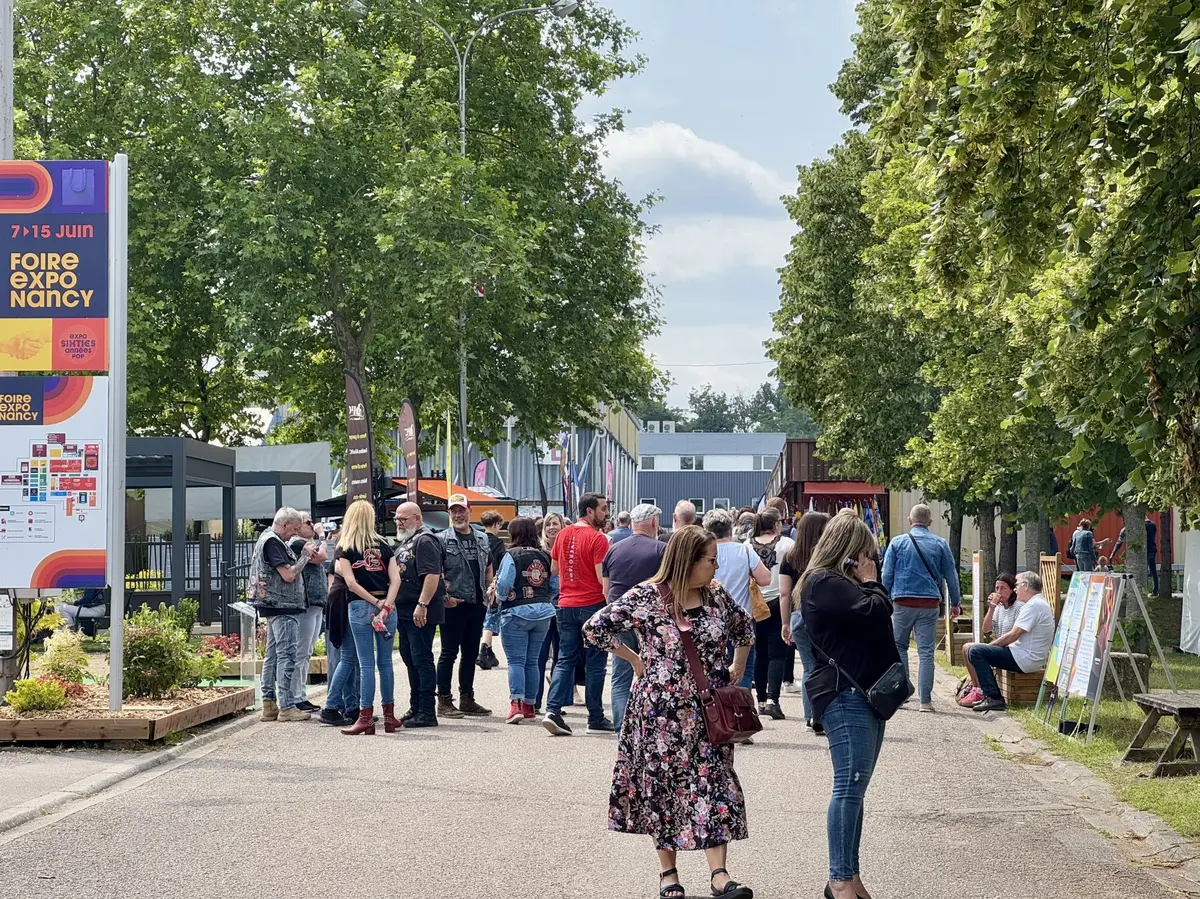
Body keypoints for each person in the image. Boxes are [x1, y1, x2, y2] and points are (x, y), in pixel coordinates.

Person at [584, 525, 756, 899]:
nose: (715, 567)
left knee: (714, 787)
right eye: (710, 560)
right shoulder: (647, 597)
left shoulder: (716, 597)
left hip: (708, 714)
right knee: (662, 792)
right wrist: (633, 658)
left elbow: (745, 628)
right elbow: (594, 629)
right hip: (659, 717)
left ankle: (720, 875)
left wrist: (737, 668)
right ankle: (668, 873)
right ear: (688, 560)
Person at [800, 510, 899, 899]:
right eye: (866, 554)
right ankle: (840, 877)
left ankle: (848, 875)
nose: (870, 562)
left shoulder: (836, 583)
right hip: (846, 694)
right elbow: (876, 614)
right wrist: (872, 582)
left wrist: (867, 583)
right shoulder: (824, 582)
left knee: (856, 788)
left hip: (863, 693)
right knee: (848, 786)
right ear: (849, 552)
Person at [327, 499, 401, 736]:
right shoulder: (384, 545)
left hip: (360, 606)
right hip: (387, 607)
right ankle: (389, 716)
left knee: (365, 663)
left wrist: (374, 602)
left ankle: (365, 717)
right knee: (386, 663)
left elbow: (350, 582)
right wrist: (386, 605)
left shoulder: (345, 546)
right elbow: (396, 579)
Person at [543, 492, 613, 736]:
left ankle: (553, 710)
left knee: (565, 658)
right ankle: (595, 717)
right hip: (592, 604)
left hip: (566, 603)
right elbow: (600, 577)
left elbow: (554, 569)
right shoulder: (598, 539)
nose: (606, 513)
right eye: (603, 509)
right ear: (590, 511)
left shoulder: (562, 534)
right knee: (595, 662)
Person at [881, 503, 962, 712]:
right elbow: (951, 575)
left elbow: (886, 574)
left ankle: (902, 695)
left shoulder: (898, 543)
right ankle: (925, 701)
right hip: (929, 603)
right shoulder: (940, 544)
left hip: (902, 601)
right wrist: (956, 602)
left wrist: (883, 597)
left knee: (899, 647)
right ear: (930, 522)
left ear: (910, 520)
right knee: (926, 652)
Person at [601, 502, 667, 732]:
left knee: (621, 672)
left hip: (618, 614)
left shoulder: (613, 549)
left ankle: (621, 727)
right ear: (654, 522)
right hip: (650, 619)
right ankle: (651, 725)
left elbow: (605, 590)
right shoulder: (661, 549)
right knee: (655, 671)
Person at [250, 507, 313, 723]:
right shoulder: (273, 541)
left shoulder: (267, 539)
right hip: (281, 604)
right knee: (287, 655)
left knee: (273, 655)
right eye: (294, 529)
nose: (294, 534)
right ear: (284, 524)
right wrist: (304, 557)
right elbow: (288, 575)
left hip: (273, 604)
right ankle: (286, 706)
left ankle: (269, 704)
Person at [435, 494, 495, 718]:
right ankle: (443, 700)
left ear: (470, 510)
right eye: (453, 511)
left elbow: (488, 566)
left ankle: (467, 698)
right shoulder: (441, 539)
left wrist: (489, 591)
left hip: (476, 603)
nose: (458, 514)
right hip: (453, 604)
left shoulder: (482, 538)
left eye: (461, 510)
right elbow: (436, 571)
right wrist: (444, 597)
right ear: (449, 513)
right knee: (448, 653)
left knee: (470, 653)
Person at [964, 571, 1056, 713]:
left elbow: (1014, 634)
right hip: (1024, 655)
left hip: (1025, 658)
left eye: (1017, 585)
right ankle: (985, 693)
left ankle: (993, 697)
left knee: (976, 651)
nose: (1015, 589)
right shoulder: (1036, 603)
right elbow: (989, 629)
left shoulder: (1033, 606)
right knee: (976, 650)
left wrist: (988, 647)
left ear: (1025, 586)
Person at [494, 517, 557, 723]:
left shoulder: (511, 555)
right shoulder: (545, 556)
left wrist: (501, 597)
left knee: (516, 661)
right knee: (533, 661)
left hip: (516, 611)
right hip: (543, 611)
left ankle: (516, 704)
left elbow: (503, 583)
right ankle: (530, 704)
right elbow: (555, 584)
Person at [703, 508, 770, 690]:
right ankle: (740, 710)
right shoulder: (744, 550)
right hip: (742, 618)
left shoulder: (703, 554)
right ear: (731, 529)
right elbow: (765, 579)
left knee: (710, 667)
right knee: (744, 670)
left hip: (709, 617)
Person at [393, 502, 444, 728]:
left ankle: (426, 711)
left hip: (419, 611)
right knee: (410, 658)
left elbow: (432, 575)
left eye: (404, 519)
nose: (399, 523)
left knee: (422, 659)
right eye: (397, 519)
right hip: (404, 611)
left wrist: (422, 603)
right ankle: (416, 706)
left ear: (418, 519)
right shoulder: (406, 541)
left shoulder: (425, 540)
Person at [779, 511, 831, 730]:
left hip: (799, 616)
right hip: (826, 616)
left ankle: (810, 716)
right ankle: (823, 713)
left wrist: (785, 623)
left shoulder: (791, 555)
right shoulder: (828, 554)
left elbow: (784, 593)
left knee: (809, 667)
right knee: (826, 666)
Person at [747, 508, 794, 720]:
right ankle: (774, 700)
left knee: (760, 652)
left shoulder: (747, 545)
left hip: (755, 603)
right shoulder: (787, 545)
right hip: (779, 600)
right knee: (778, 652)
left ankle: (761, 700)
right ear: (776, 524)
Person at [957, 574, 1018, 708]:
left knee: (976, 651)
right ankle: (977, 687)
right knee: (967, 647)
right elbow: (986, 629)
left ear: (1013, 589)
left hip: (1012, 649)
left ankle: (986, 692)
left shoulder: (1018, 607)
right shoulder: (999, 607)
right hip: (1001, 646)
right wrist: (991, 608)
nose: (999, 591)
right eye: (997, 588)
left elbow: (1015, 635)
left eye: (1003, 588)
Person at [287, 513, 328, 714]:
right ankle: (296, 696)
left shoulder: (308, 543)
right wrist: (322, 535)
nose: (312, 525)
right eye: (308, 523)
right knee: (301, 651)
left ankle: (300, 694)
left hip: (317, 603)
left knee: (307, 651)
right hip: (306, 602)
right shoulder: (297, 543)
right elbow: (322, 556)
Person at [534, 512, 565, 711]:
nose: (552, 527)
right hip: (544, 608)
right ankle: (534, 701)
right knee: (540, 656)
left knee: (561, 657)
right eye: (548, 525)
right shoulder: (539, 551)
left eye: (555, 524)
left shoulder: (567, 550)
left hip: (564, 607)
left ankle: (554, 703)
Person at [477, 510, 508, 671]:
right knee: (492, 615)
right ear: (496, 524)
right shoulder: (497, 543)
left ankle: (488, 651)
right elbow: (501, 564)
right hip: (492, 583)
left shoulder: (477, 539)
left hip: (477, 583)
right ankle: (483, 649)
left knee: (485, 616)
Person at [1113, 515, 1160, 594]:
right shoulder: (1153, 524)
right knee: (1153, 571)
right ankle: (1155, 590)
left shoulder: (1138, 526)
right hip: (1152, 549)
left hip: (1142, 551)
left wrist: (1113, 553)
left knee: (1141, 571)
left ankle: (1142, 589)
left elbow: (1120, 541)